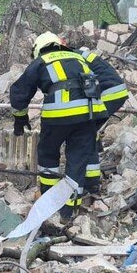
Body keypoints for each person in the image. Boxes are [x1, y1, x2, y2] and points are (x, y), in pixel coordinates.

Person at [9, 32, 108, 222]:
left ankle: (49, 198)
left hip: (59, 115)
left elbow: (19, 92)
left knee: (48, 153)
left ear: (39, 49)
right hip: (89, 114)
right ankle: (68, 211)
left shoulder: (42, 61)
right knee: (77, 160)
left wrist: (20, 120)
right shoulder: (77, 57)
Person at [74, 47, 128, 193]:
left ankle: (91, 183)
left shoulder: (68, 59)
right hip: (114, 90)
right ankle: (98, 152)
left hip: (109, 93)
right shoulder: (76, 55)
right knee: (90, 126)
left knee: (85, 132)